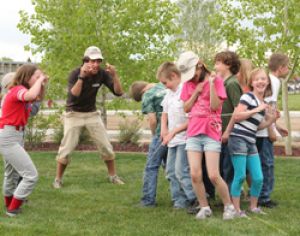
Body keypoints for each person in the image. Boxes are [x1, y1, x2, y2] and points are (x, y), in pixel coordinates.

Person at [53, 46, 124, 188]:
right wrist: (82, 76)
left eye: (98, 61)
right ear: (85, 61)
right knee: (67, 148)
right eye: (93, 61)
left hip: (92, 114)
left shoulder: (102, 74)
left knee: (105, 146)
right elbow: (75, 94)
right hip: (73, 114)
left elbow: (118, 92)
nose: (96, 64)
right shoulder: (75, 74)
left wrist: (114, 76)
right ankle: (58, 180)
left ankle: (113, 176)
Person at [178, 51, 236, 220]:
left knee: (213, 174)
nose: (192, 77)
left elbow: (215, 106)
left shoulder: (216, 81)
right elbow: (186, 108)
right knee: (195, 174)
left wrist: (210, 85)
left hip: (211, 131)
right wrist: (196, 91)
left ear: (200, 65)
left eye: (194, 72)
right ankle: (204, 207)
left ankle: (229, 206)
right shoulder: (188, 84)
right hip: (193, 132)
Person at [0, 64, 48, 217]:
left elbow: (37, 97)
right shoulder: (18, 90)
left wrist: (40, 82)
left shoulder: (21, 90)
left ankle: (9, 205)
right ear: (27, 77)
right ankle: (12, 209)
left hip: (14, 135)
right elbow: (31, 96)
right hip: (9, 136)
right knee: (31, 175)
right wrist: (40, 80)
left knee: (11, 173)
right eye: (36, 76)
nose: (39, 78)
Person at [228, 68, 277, 216]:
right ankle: (236, 210)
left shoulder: (262, 102)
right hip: (238, 139)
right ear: (252, 82)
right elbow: (237, 116)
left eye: (263, 79)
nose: (260, 82)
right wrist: (257, 109)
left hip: (250, 140)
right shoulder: (247, 97)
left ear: (267, 82)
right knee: (240, 175)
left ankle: (253, 207)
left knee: (258, 177)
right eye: (257, 79)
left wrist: (270, 120)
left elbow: (257, 126)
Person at [157, 62, 197, 209]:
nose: (164, 86)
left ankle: (194, 198)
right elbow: (164, 113)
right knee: (170, 172)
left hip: (184, 138)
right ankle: (178, 200)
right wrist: (164, 130)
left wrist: (173, 132)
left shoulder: (185, 91)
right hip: (172, 140)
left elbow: (192, 119)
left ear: (174, 76)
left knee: (181, 171)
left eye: (165, 82)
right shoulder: (169, 93)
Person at [257, 53, 289, 208]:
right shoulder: (274, 81)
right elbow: (268, 107)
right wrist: (271, 130)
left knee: (261, 164)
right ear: (281, 68)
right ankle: (264, 197)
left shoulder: (269, 79)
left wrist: (277, 126)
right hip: (263, 132)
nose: (288, 69)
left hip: (263, 128)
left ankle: (258, 194)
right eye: (287, 66)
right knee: (267, 164)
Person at [129, 80, 168, 207]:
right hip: (176, 131)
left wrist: (154, 135)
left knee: (151, 166)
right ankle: (182, 199)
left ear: (141, 93)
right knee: (171, 167)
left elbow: (152, 120)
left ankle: (148, 200)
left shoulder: (148, 95)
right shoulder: (164, 86)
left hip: (161, 133)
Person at [214, 51, 242, 190]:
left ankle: (231, 199)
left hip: (230, 134)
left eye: (218, 63)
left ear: (229, 65)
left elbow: (238, 109)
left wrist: (227, 132)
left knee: (228, 168)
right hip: (219, 132)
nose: (215, 66)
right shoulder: (222, 83)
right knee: (221, 167)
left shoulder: (232, 84)